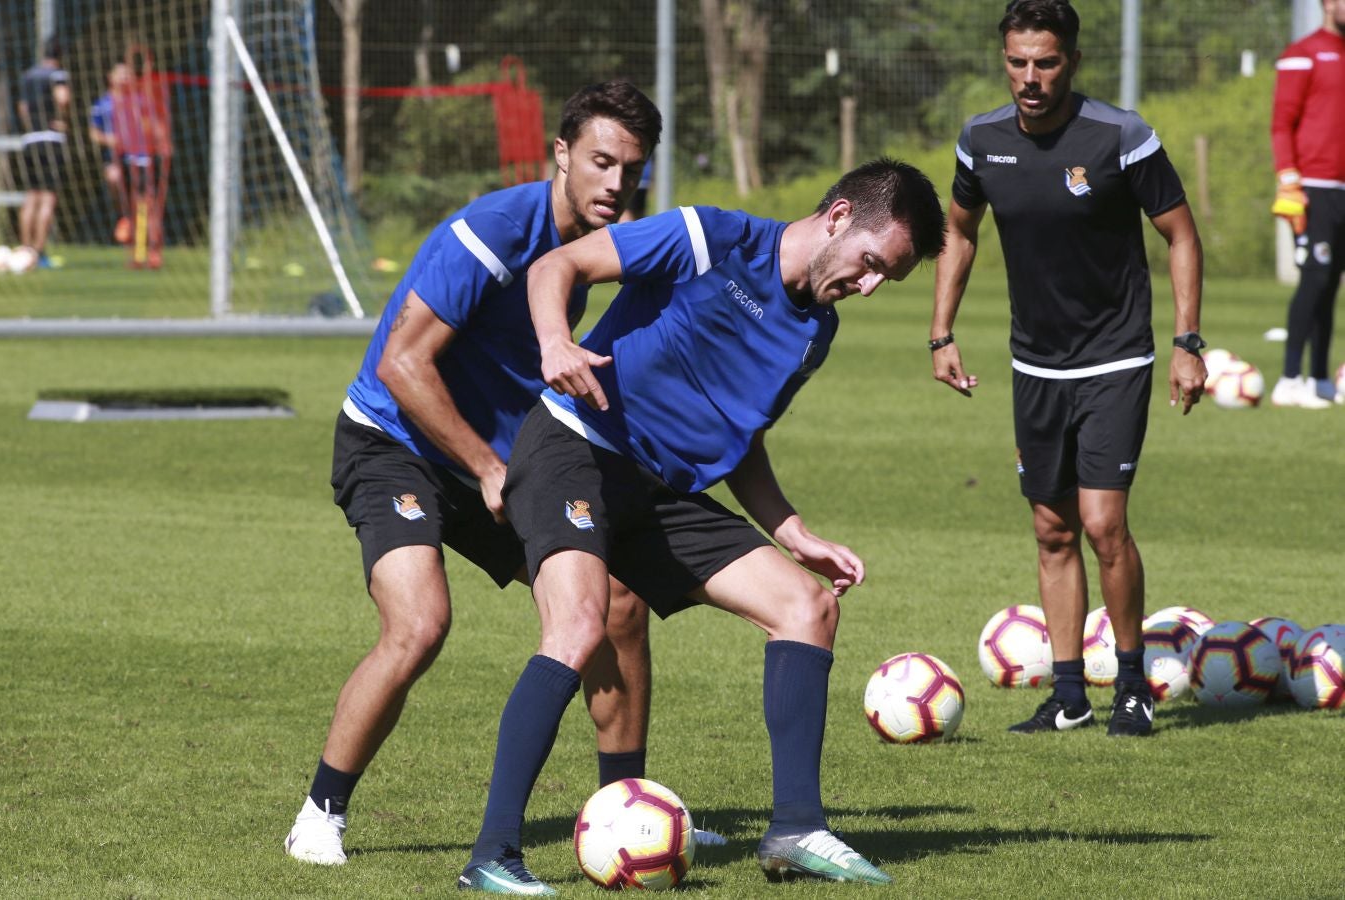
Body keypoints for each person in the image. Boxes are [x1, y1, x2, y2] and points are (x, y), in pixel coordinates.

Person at [457, 157, 947, 894]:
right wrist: (556, 342)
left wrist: (792, 530)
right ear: (840, 217)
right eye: (872, 263)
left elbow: (742, 438)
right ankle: (492, 854)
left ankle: (796, 830)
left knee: (808, 606)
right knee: (580, 625)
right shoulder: (712, 238)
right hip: (573, 449)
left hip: (657, 490)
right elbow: (559, 264)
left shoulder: (814, 331)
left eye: (889, 279)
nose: (869, 286)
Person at [282, 82, 685, 867]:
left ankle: (627, 808)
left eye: (631, 170)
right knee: (420, 623)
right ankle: (321, 811)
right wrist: (489, 467)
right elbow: (402, 364)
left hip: (495, 457)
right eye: (601, 161)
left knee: (616, 602)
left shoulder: (604, 248)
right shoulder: (496, 229)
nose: (615, 183)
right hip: (392, 443)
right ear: (561, 153)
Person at [929, 0, 1205, 738]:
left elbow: (1180, 234)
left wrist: (1188, 341)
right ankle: (1068, 695)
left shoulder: (1120, 136)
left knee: (1102, 523)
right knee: (1052, 530)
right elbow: (959, 231)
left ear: (1072, 62)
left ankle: (1133, 686)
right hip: (1035, 364)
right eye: (1017, 62)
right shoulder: (981, 141)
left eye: (1046, 63)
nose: (1030, 77)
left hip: (1116, 357)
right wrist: (940, 333)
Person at [1268, 0, 1345, 409]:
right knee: (1314, 278)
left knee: (1330, 284)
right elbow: (1282, 123)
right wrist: (1289, 180)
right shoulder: (1303, 53)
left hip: (1343, 188)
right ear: (1327, 4)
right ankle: (1289, 378)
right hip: (1314, 187)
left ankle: (1320, 378)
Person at [16, 36, 70, 268]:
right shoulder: (57, 74)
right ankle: (39, 253)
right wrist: (60, 119)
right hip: (50, 138)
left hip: (30, 139)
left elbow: (22, 108)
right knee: (47, 197)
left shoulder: (28, 75)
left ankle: (25, 249)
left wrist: (33, 125)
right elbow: (63, 99)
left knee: (31, 195)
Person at [88, 62, 135, 245]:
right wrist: (112, 140)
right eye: (120, 74)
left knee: (142, 191)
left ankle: (140, 229)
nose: (124, 77)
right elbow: (93, 133)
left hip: (137, 155)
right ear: (111, 77)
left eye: (127, 74)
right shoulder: (102, 104)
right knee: (114, 178)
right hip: (113, 156)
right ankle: (123, 216)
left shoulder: (138, 101)